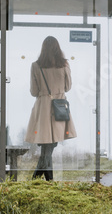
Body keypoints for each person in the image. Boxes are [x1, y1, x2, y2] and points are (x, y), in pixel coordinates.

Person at [25, 36, 77, 181]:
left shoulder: (36, 65)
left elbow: (33, 92)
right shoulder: (64, 65)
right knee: (49, 146)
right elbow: (68, 87)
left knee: (47, 146)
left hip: (43, 108)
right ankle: (45, 180)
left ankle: (37, 179)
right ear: (57, 48)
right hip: (59, 106)